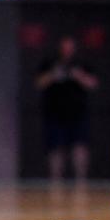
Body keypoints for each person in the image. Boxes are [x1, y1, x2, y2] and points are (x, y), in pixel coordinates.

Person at [35, 35, 98, 181]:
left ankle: (81, 179)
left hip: (78, 111)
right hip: (54, 111)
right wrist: (53, 75)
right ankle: (55, 179)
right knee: (55, 147)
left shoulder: (82, 63)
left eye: (69, 47)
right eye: (64, 47)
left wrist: (78, 76)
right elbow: (39, 83)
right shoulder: (50, 62)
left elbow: (93, 84)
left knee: (80, 146)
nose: (66, 50)